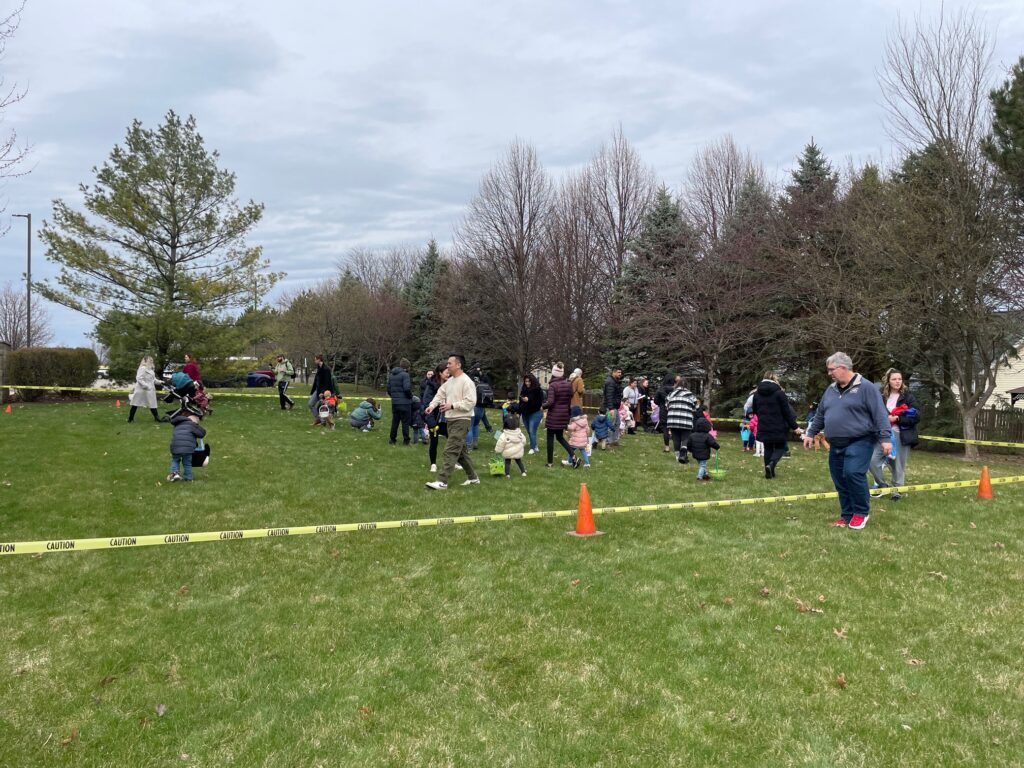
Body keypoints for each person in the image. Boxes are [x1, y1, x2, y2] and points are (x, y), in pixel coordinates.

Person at [803, 352, 892, 530]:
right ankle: (847, 514)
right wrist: (811, 433)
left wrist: (885, 438)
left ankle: (860, 513)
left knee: (853, 474)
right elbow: (821, 413)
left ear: (843, 368)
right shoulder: (831, 389)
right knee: (840, 479)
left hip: (860, 440)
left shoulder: (867, 388)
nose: (829, 373)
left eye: (831, 370)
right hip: (836, 443)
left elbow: (880, 414)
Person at [425, 354, 480, 490]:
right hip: (451, 420)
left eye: (450, 363)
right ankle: (473, 478)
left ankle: (442, 481)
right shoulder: (450, 382)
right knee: (461, 452)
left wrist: (452, 405)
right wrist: (432, 406)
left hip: (462, 420)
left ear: (458, 365)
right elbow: (440, 394)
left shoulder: (467, 382)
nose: (447, 366)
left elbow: (471, 402)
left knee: (450, 450)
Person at [868, 368, 921, 501]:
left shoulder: (908, 396)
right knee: (872, 461)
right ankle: (882, 485)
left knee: (898, 464)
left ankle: (897, 490)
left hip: (900, 435)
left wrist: (897, 419)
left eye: (899, 379)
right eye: (894, 379)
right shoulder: (881, 396)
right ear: (888, 381)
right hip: (882, 435)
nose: (897, 382)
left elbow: (916, 416)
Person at [751, 372, 800, 479]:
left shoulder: (756, 394)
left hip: (764, 425)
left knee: (768, 448)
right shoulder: (779, 393)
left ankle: (769, 472)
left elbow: (755, 411)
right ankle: (772, 464)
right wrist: (795, 427)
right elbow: (787, 412)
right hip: (779, 426)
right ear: (775, 379)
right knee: (780, 447)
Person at [542, 362, 578, 468]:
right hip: (564, 415)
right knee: (560, 437)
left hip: (554, 416)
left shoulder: (553, 385)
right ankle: (574, 457)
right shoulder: (568, 384)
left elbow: (551, 402)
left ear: (553, 373)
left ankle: (549, 463)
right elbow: (570, 397)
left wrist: (542, 406)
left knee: (550, 438)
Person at [664, 375, 698, 463]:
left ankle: (677, 457)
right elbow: (696, 407)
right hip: (685, 419)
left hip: (672, 419)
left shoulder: (671, 394)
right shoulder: (690, 394)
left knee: (675, 438)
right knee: (685, 437)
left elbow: (666, 406)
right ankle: (683, 450)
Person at [423, 364, 449, 472]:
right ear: (440, 373)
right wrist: (431, 422)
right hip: (435, 418)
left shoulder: (451, 384)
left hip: (447, 418)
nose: (449, 374)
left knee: (453, 440)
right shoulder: (431, 386)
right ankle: (433, 464)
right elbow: (426, 403)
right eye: (446, 372)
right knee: (434, 441)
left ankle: (454, 461)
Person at [167, 413, 206, 482]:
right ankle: (188, 478)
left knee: (175, 460)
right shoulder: (192, 425)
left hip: (175, 447)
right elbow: (202, 433)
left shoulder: (177, 425)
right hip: (187, 449)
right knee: (187, 463)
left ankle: (175, 474)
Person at [128, 355, 164, 423]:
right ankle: (130, 419)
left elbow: (153, 379)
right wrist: (146, 386)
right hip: (141, 389)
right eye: (149, 360)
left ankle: (157, 418)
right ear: (145, 361)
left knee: (152, 403)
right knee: (135, 403)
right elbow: (139, 378)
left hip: (150, 390)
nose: (151, 361)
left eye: (151, 360)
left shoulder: (150, 369)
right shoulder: (143, 368)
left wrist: (160, 382)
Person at [387, 357, 413, 445]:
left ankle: (392, 439)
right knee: (405, 423)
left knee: (395, 422)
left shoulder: (391, 375)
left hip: (395, 403)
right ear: (407, 367)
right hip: (405, 403)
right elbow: (407, 388)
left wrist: (394, 397)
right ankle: (406, 441)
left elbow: (388, 389)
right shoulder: (405, 375)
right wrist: (410, 397)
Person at [686, 417, 720, 481]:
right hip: (704, 454)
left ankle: (705, 475)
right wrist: (717, 447)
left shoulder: (692, 435)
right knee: (702, 465)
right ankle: (699, 477)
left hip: (695, 454)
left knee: (701, 464)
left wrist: (690, 450)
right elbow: (712, 443)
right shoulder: (708, 436)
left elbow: (689, 444)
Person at [495, 413, 527, 478]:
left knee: (507, 462)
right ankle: (523, 472)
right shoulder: (520, 434)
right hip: (518, 451)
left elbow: (500, 443)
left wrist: (497, 451)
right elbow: (524, 441)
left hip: (508, 452)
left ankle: (507, 474)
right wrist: (521, 445)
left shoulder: (504, 435)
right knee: (519, 461)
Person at [519, 373, 544, 455]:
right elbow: (521, 401)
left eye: (529, 381)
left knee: (532, 430)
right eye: (526, 381)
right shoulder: (524, 389)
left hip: (535, 412)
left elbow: (539, 403)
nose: (527, 383)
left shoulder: (537, 390)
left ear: (532, 381)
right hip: (525, 413)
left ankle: (532, 448)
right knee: (529, 431)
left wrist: (528, 400)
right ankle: (535, 445)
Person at [308, 355, 334, 425]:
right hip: (318, 390)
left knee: (324, 407)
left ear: (319, 360)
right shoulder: (319, 368)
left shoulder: (326, 369)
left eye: (315, 360)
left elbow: (327, 382)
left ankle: (326, 422)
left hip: (324, 392)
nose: (314, 361)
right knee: (311, 404)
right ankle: (319, 419)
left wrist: (323, 392)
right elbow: (317, 381)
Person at [602, 367, 624, 447]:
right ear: (614, 372)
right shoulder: (610, 382)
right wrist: (611, 408)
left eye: (620, 372)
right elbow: (609, 396)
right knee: (611, 424)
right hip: (611, 407)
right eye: (618, 372)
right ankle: (608, 442)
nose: (620, 374)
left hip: (615, 406)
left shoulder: (615, 382)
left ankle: (614, 441)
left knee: (617, 423)